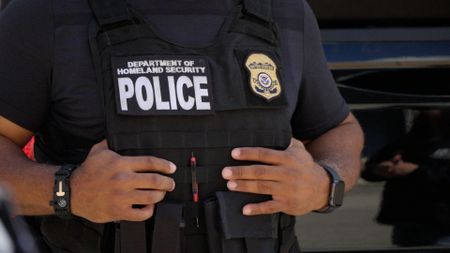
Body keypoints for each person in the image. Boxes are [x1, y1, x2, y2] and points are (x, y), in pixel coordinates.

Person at [0, 0, 363, 252]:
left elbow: (338, 129)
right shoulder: (47, 13)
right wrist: (69, 191)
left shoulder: (284, 12)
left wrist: (324, 183)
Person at [363, 110, 450, 247]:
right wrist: (380, 169)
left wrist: (416, 171)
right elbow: (370, 168)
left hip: (443, 223)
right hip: (409, 224)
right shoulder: (409, 140)